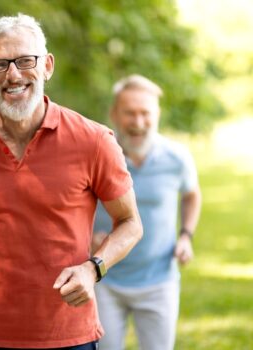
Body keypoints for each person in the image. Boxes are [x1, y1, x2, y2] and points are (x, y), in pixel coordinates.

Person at [0, 14, 143, 350]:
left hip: (68, 332)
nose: (13, 75)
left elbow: (131, 223)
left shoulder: (93, 140)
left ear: (47, 66)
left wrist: (93, 269)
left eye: (24, 61)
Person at [92, 75, 202, 350]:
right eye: (130, 113)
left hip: (159, 281)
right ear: (114, 114)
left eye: (145, 113)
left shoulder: (177, 157)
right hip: (104, 277)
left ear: (157, 114)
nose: (138, 122)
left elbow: (191, 194)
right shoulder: (97, 155)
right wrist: (87, 237)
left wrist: (186, 235)